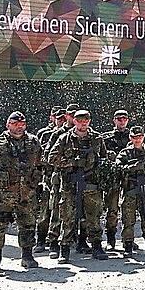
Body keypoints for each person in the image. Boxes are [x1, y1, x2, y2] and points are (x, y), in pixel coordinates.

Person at [0, 111, 43, 272]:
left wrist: (35, 179)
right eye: (15, 124)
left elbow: (41, 163)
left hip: (27, 193)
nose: (19, 127)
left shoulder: (33, 141)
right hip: (2, 194)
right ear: (8, 125)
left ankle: (27, 257)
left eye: (22, 124)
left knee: (28, 224)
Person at [47, 109, 107, 262]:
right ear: (74, 121)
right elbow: (51, 158)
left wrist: (94, 165)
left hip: (91, 184)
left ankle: (96, 246)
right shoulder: (65, 139)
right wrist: (72, 163)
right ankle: (65, 249)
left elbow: (104, 159)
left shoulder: (97, 139)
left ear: (89, 121)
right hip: (70, 184)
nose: (83, 123)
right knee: (68, 217)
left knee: (93, 217)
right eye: (79, 120)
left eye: (85, 120)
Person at [115, 125, 145, 256]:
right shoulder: (125, 153)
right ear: (130, 138)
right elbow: (117, 168)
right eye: (135, 137)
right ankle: (128, 246)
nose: (137, 140)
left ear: (144, 137)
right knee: (128, 220)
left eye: (140, 137)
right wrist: (132, 167)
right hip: (130, 190)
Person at [43, 103, 79, 259]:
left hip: (79, 177)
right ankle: (53, 243)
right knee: (57, 210)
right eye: (70, 115)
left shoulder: (82, 134)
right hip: (60, 177)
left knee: (78, 210)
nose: (72, 117)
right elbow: (48, 156)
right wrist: (69, 162)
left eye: (75, 115)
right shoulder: (59, 134)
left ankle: (78, 240)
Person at [34, 106, 64, 253]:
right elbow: (39, 156)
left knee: (60, 210)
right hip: (47, 177)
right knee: (45, 210)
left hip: (62, 177)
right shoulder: (45, 134)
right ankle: (40, 239)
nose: (61, 121)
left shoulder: (68, 134)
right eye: (58, 118)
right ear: (52, 118)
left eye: (63, 118)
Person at [101, 109, 130, 250]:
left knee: (129, 210)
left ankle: (128, 239)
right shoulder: (106, 138)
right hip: (113, 178)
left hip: (129, 178)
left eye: (124, 118)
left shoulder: (133, 137)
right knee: (112, 210)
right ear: (114, 120)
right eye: (119, 118)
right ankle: (110, 240)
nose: (122, 121)